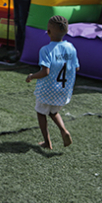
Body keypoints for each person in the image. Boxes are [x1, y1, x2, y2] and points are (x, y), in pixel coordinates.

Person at [25, 15, 79, 150]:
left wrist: (32, 76)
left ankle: (47, 142)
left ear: (48, 32)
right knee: (53, 111)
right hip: (63, 88)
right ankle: (63, 130)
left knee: (41, 112)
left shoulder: (46, 50)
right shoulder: (71, 47)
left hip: (47, 89)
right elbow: (77, 67)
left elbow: (45, 72)